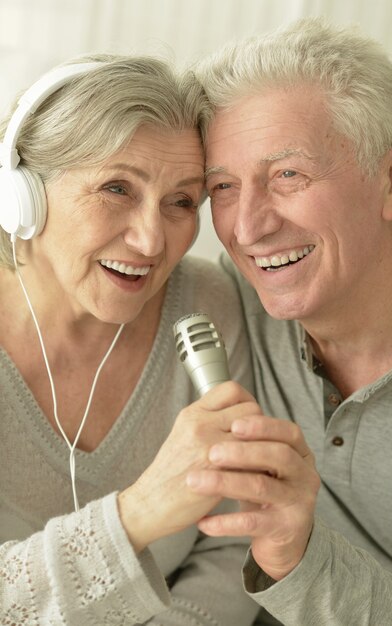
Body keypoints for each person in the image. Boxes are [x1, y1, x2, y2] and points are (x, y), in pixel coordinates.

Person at [0, 55, 261, 625]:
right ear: (23, 195)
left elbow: (231, 545)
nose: (150, 241)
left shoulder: (207, 305)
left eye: (183, 202)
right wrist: (137, 514)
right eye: (117, 188)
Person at [186, 17, 392, 625]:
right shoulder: (230, 299)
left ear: (391, 182)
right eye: (225, 187)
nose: (248, 227)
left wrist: (297, 559)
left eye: (289, 174)